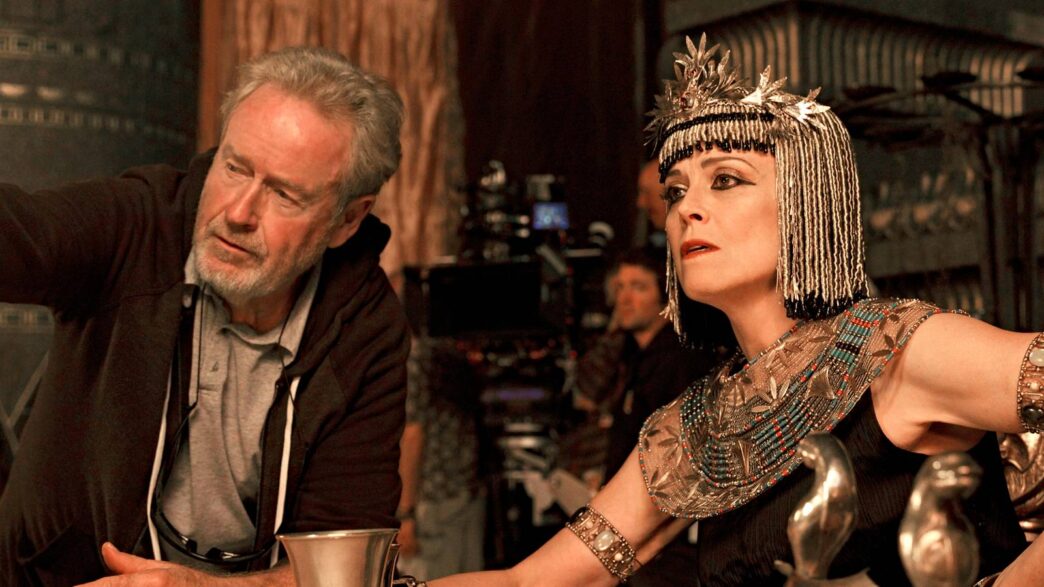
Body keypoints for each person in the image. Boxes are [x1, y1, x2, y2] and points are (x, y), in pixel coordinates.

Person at [429, 34, 1044, 586]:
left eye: (725, 179)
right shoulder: (694, 430)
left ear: (803, 204)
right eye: (675, 191)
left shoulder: (899, 349)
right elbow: (534, 581)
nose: (686, 209)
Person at [0, 46, 410, 586]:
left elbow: (340, 570)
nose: (237, 213)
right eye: (234, 167)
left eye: (284, 195)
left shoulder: (366, 329)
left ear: (348, 220)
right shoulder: (138, 225)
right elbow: (22, 236)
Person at [574, 248, 718, 586]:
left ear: (665, 296)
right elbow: (584, 392)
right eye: (619, 287)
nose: (624, 298)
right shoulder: (631, 354)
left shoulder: (680, 360)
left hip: (661, 538)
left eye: (638, 287)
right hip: (629, 524)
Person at [396, 338, 485, 579]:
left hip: (431, 501)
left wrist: (406, 514)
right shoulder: (448, 350)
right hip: (466, 492)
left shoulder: (412, 357)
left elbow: (413, 434)